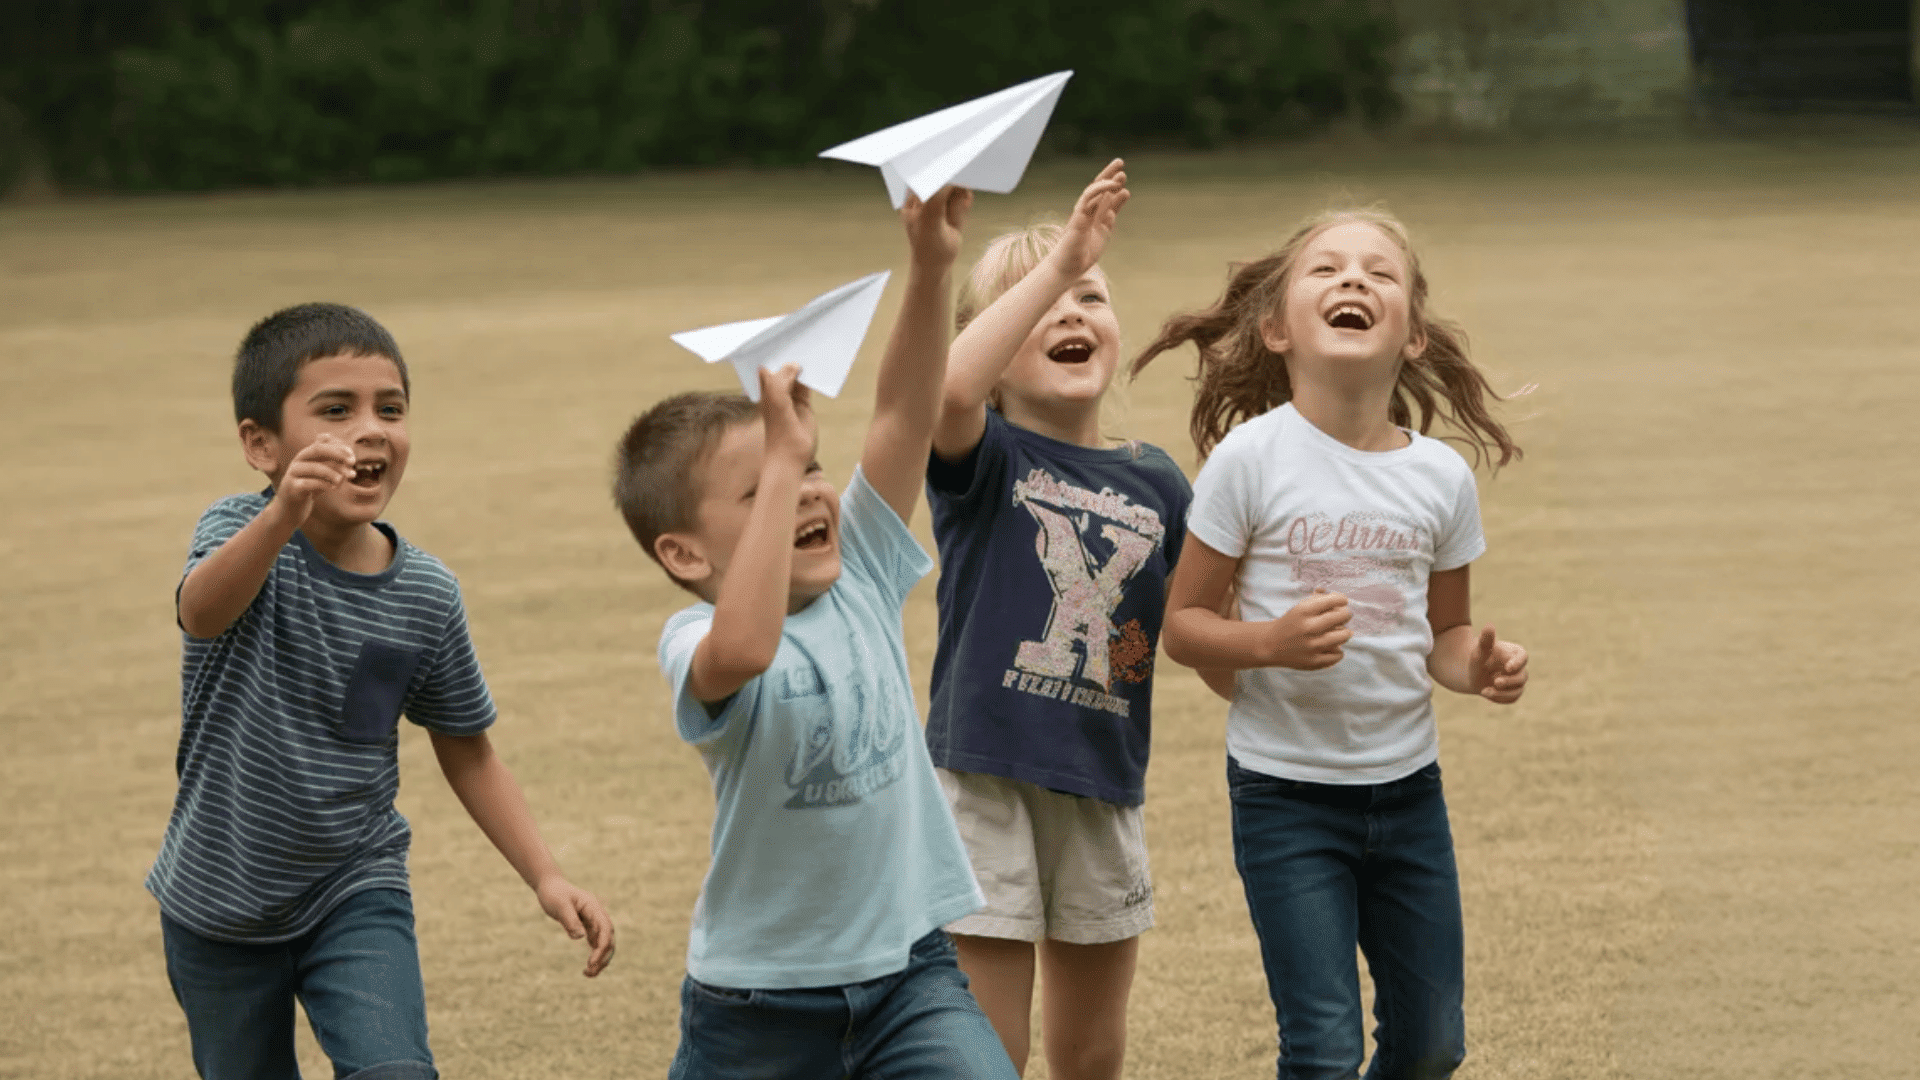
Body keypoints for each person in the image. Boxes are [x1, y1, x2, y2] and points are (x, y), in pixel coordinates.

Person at [150, 302, 614, 1080]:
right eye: (336, 410)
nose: (370, 429)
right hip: (216, 903)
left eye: (389, 409)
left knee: (396, 1071)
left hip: (352, 885)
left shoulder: (425, 593)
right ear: (261, 444)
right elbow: (200, 611)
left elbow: (466, 749)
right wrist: (283, 516)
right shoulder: (237, 529)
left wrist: (547, 874)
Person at [613, 186, 1016, 1080]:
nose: (808, 490)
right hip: (756, 1004)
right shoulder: (692, 641)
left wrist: (932, 262)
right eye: (763, 490)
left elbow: (906, 413)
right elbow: (746, 650)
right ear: (682, 555)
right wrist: (786, 447)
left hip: (910, 974)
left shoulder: (862, 573)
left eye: (813, 467)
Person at [1138, 208, 1529, 1080]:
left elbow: (1447, 635)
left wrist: (1482, 667)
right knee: (1322, 1048)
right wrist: (1270, 642)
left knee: (1433, 1046)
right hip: (1286, 799)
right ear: (1277, 328)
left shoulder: (1440, 478)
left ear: (1415, 334)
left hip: (1409, 794)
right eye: (1328, 269)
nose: (1354, 280)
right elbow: (1182, 627)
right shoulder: (1249, 459)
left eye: (1379, 273)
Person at [923, 159, 1192, 1080]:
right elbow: (948, 391)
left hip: (1100, 781)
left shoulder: (1156, 478)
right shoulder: (983, 457)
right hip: (984, 782)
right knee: (985, 1053)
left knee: (1091, 1054)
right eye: (1040, 303)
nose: (1071, 312)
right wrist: (1061, 255)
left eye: (1091, 294)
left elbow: (1197, 617)